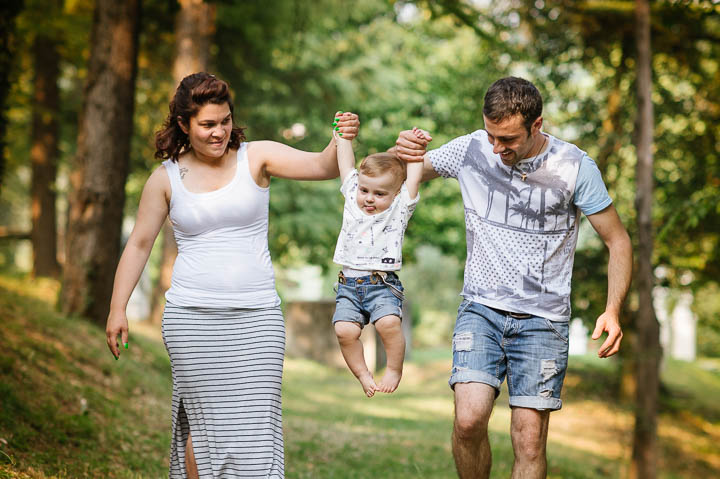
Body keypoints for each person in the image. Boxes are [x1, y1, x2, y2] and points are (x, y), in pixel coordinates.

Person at [104, 72, 359, 479]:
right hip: (191, 319)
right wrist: (118, 308)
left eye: (224, 120)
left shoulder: (255, 156)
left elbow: (323, 165)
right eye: (207, 124)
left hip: (257, 318)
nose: (219, 131)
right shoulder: (165, 178)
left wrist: (339, 136)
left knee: (256, 427)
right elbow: (138, 244)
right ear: (184, 124)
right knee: (203, 427)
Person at [393, 76, 632, 479]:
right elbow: (390, 172)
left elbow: (619, 241)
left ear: (537, 126)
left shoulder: (575, 167)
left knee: (528, 439)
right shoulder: (471, 150)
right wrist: (402, 151)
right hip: (480, 309)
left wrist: (612, 310)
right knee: (468, 421)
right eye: (491, 136)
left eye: (508, 140)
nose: (497, 148)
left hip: (544, 321)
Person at [331, 128, 426, 397]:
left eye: (380, 194)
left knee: (388, 324)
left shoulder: (399, 208)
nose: (369, 198)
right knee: (344, 330)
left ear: (396, 194)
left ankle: (394, 369)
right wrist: (344, 137)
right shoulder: (352, 197)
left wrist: (417, 149)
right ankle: (363, 374)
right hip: (348, 285)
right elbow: (346, 165)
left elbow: (414, 177)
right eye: (365, 190)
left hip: (380, 283)